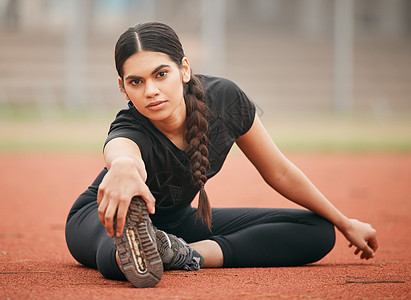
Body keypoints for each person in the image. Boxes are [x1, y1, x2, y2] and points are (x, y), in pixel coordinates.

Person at [65, 22, 378, 288]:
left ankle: (184, 252)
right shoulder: (130, 125)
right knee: (119, 256)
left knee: (318, 232)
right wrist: (121, 167)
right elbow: (121, 150)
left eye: (161, 74)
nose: (150, 91)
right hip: (100, 221)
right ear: (123, 89)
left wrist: (343, 221)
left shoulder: (225, 100)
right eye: (136, 82)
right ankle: (147, 250)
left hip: (176, 224)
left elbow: (278, 171)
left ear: (183, 69)